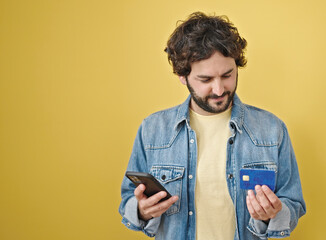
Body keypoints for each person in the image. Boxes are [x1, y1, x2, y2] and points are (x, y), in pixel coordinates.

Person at [119, 12, 306, 240]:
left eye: (227, 75)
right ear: (182, 76)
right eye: (206, 80)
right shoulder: (152, 130)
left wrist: (272, 214)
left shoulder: (272, 129)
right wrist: (141, 210)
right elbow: (129, 199)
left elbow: (293, 203)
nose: (219, 90)